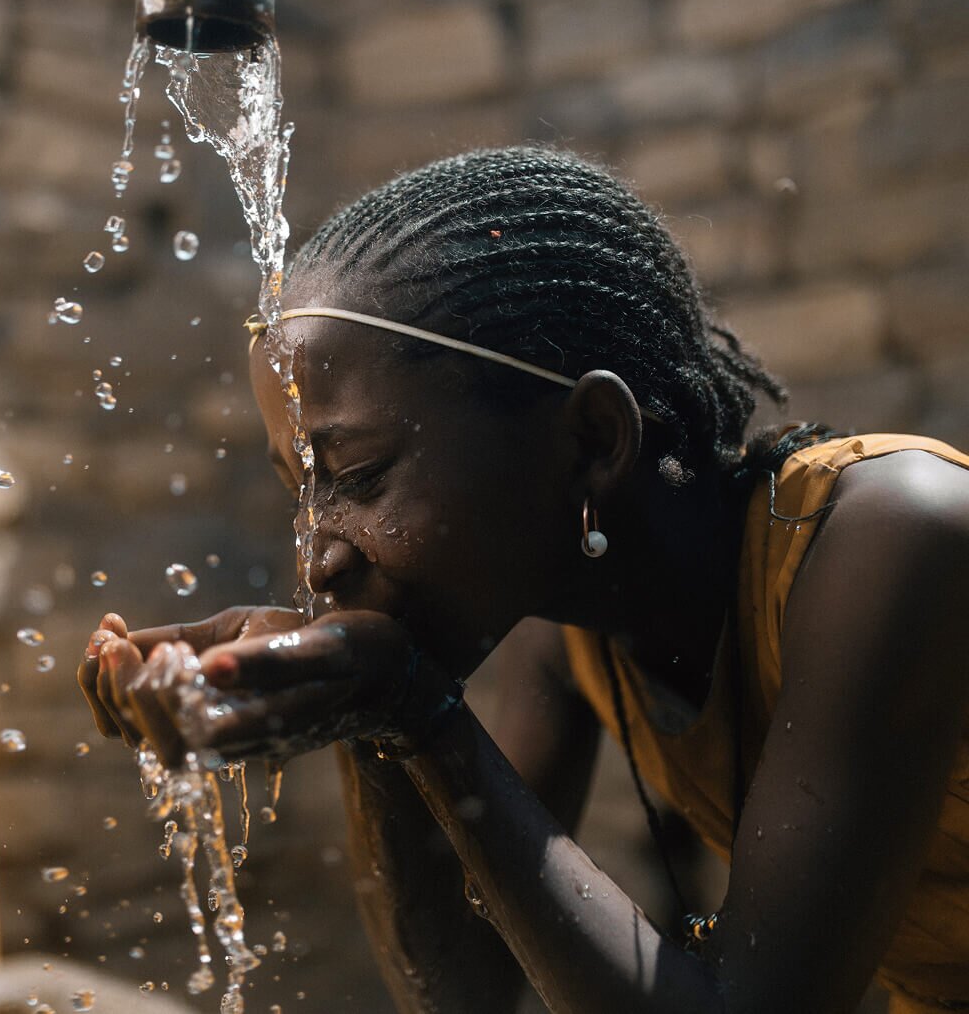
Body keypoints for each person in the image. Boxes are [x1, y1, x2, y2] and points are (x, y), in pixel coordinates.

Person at [78, 146, 969, 1014]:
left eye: (357, 475)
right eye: (300, 494)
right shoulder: (566, 628)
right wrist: (363, 709)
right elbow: (469, 989)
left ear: (591, 438)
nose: (318, 559)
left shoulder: (897, 534)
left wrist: (417, 711)